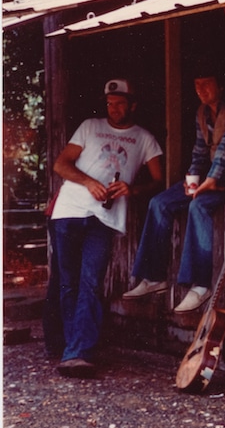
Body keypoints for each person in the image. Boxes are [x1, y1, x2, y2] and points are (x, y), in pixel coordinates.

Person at [50, 79, 163, 377]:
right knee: (67, 283)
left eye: (120, 103)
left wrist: (132, 189)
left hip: (104, 218)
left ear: (133, 105)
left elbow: (159, 180)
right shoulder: (90, 126)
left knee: (91, 281)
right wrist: (89, 182)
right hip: (69, 210)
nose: (113, 108)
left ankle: (78, 352)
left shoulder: (144, 138)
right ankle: (71, 348)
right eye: (110, 103)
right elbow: (61, 165)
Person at [122, 65, 225, 312]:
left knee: (200, 205)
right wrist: (192, 179)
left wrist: (212, 178)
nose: (200, 90)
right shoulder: (201, 113)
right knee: (160, 203)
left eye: (206, 83)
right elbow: (199, 151)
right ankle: (154, 278)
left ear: (220, 84)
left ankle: (201, 284)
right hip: (214, 175)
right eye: (196, 84)